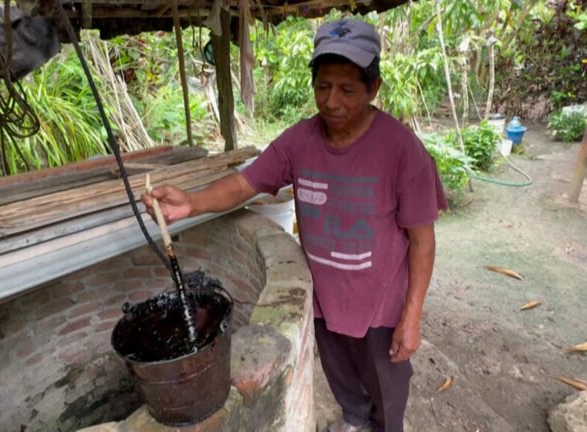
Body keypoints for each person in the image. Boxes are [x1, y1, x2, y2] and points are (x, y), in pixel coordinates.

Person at [143, 18, 447, 432]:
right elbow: (244, 183)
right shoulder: (299, 141)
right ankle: (353, 421)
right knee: (342, 378)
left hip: (380, 307)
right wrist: (190, 203)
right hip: (324, 300)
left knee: (386, 388)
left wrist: (411, 317)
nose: (332, 102)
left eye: (347, 89)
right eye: (323, 86)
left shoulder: (401, 149)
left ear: (374, 88)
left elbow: (422, 242)